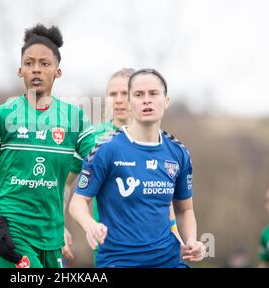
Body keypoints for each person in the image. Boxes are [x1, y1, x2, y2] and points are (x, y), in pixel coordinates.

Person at [0, 24, 95, 268]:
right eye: (29, 63)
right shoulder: (2, 115)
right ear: (20, 71)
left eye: (44, 63)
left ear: (58, 72)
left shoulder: (74, 118)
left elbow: (99, 159)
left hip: (52, 238)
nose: (36, 69)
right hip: (12, 233)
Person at [69, 68, 205, 268]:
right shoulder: (106, 149)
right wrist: (90, 225)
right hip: (119, 261)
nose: (146, 100)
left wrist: (191, 240)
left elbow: (184, 210)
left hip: (168, 260)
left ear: (166, 101)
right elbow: (78, 202)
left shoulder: (178, 152)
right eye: (139, 95)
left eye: (153, 94)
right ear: (130, 104)